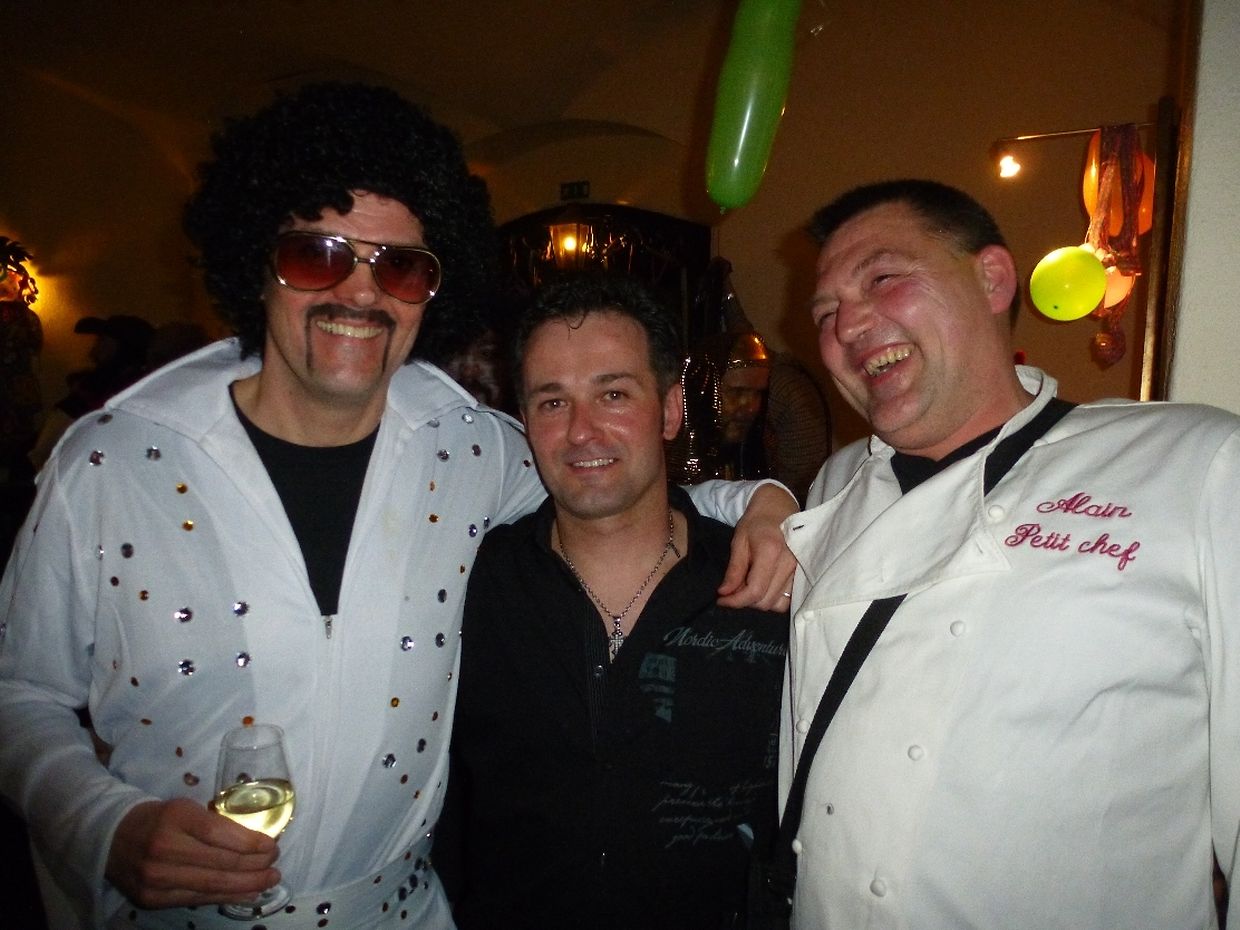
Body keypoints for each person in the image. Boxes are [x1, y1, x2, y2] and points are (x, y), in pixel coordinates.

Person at [0, 82, 795, 930]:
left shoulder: (470, 448)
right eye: (319, 255)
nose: (360, 293)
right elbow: (19, 693)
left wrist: (764, 503)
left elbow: (605, 479)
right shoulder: (112, 464)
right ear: (256, 264)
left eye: (401, 266)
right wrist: (102, 824)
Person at [779, 178, 1240, 929]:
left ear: (993, 279)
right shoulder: (834, 483)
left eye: (883, 278)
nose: (848, 324)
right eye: (825, 312)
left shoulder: (1195, 463)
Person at [438, 275, 787, 929]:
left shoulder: (768, 587)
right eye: (552, 402)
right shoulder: (469, 585)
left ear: (670, 409)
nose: (581, 431)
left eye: (614, 394)